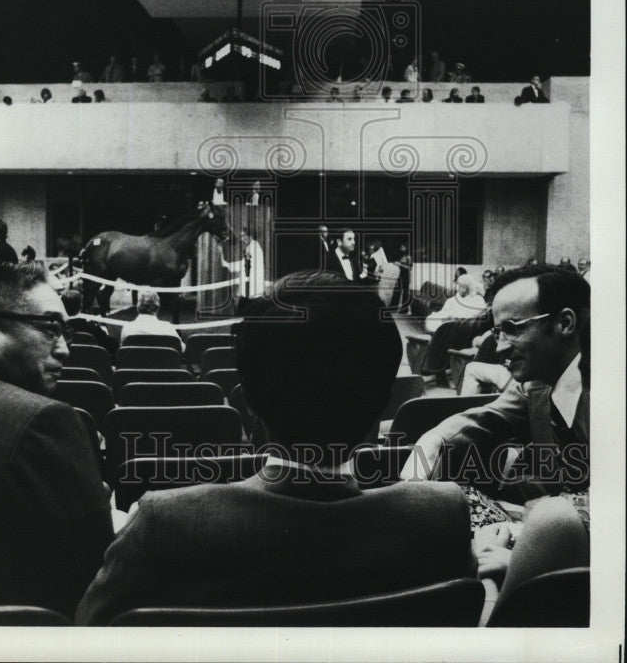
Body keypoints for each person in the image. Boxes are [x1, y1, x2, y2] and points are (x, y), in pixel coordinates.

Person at [76, 271, 475, 624]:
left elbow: (87, 630)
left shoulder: (163, 523)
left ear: (247, 402)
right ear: (386, 402)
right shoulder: (443, 515)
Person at [0, 263, 114, 616]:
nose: (64, 349)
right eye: (49, 329)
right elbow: (98, 582)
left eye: (66, 332)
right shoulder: (47, 421)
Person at [403, 264, 590, 503]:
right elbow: (475, 421)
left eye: (512, 329)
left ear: (564, 323)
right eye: (498, 332)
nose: (500, 348)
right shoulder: (535, 385)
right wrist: (430, 442)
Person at [222, 229, 265, 299]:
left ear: (250, 236)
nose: (241, 239)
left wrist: (227, 265)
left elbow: (244, 264)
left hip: (253, 289)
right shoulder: (251, 247)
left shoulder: (254, 247)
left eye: (243, 236)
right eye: (241, 237)